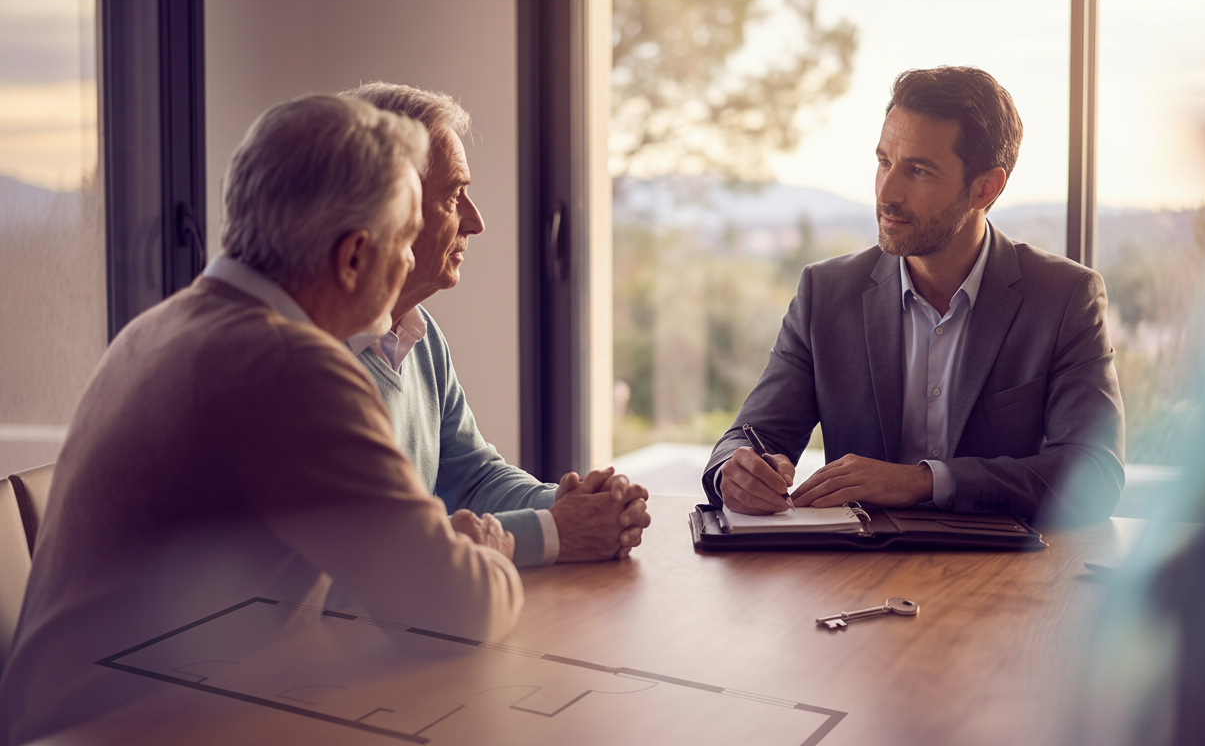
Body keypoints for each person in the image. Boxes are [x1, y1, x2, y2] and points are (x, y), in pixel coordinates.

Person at [0, 94, 523, 744]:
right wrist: (491, 551)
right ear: (353, 257)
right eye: (403, 242)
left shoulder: (159, 326)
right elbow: (456, 608)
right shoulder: (291, 368)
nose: (411, 262)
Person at [703, 66, 1124, 523]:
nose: (887, 192)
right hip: (853, 584)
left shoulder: (1064, 298)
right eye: (884, 161)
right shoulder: (825, 293)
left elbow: (1096, 475)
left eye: (918, 170)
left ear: (987, 187)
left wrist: (923, 481)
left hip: (1002, 579)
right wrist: (737, 469)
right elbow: (753, 434)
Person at [342, 82, 651, 566]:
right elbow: (374, 552)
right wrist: (555, 531)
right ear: (388, 207)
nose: (476, 221)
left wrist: (568, 505)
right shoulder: (315, 361)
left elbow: (475, 478)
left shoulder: (421, 337)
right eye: (453, 196)